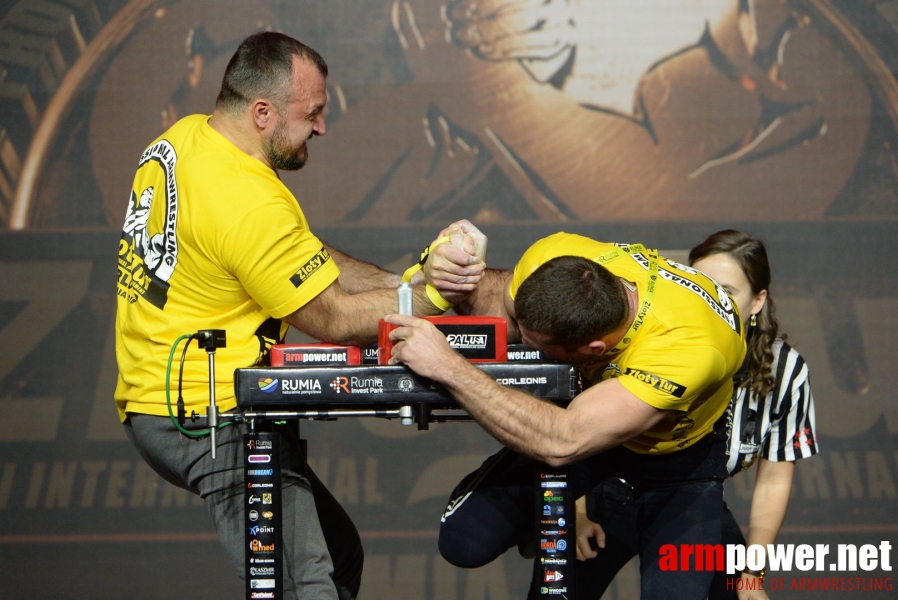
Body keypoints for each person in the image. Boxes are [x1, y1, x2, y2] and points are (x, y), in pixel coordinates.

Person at [114, 31, 485, 600]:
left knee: (335, 560)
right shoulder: (244, 197)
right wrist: (434, 298)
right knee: (305, 586)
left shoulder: (188, 137)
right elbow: (333, 316)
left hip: (167, 399)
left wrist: (405, 281)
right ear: (263, 113)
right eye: (312, 113)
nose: (323, 127)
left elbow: (299, 256)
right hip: (211, 418)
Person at [386, 232, 747, 600]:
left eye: (537, 346)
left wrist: (448, 366)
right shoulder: (556, 257)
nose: (522, 343)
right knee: (464, 542)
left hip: (676, 459)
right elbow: (499, 300)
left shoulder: (689, 348)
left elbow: (563, 440)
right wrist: (449, 274)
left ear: (594, 349)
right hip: (590, 424)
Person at [573, 230, 819, 600]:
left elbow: (774, 479)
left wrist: (753, 571)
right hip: (606, 496)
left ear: (758, 301)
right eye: (699, 285)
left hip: (687, 496)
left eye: (728, 291)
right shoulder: (642, 339)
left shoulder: (785, 371)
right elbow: (574, 426)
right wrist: (574, 515)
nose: (713, 301)